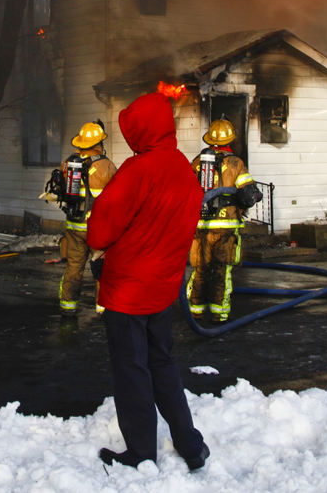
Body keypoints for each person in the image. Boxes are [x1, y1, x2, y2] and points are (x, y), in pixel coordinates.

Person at [86, 92, 209, 471]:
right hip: (162, 290)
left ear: (141, 130)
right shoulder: (185, 173)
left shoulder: (137, 171)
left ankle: (140, 452)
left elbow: (99, 233)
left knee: (131, 370)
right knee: (163, 364)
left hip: (126, 294)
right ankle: (190, 444)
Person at [188, 118, 259, 322]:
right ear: (231, 140)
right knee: (221, 271)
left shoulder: (197, 162)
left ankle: (196, 311)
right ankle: (219, 314)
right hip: (226, 228)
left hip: (201, 227)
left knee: (200, 270)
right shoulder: (236, 163)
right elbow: (248, 195)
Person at [56, 120, 116, 316]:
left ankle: (68, 308)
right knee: (102, 269)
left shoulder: (67, 163)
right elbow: (117, 198)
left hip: (74, 226)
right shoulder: (106, 166)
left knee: (73, 267)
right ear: (99, 143)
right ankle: (102, 310)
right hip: (97, 229)